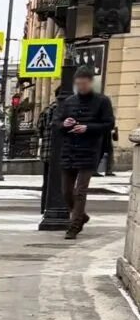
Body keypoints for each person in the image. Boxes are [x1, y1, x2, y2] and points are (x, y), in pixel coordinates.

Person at [53, 66, 115, 239]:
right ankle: (81, 215)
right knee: (66, 191)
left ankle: (74, 226)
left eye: (84, 84)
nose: (81, 87)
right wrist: (65, 124)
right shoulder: (69, 102)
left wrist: (87, 128)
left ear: (91, 83)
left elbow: (108, 124)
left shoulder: (102, 101)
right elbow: (57, 123)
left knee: (80, 191)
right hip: (69, 150)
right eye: (79, 84)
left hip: (89, 151)